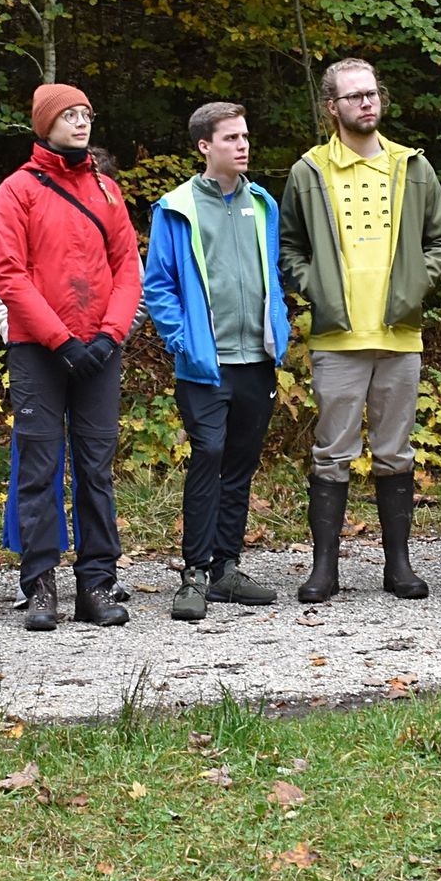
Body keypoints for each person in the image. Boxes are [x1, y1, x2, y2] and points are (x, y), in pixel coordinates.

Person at [277, 58, 441, 604]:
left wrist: (414, 286)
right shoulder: (309, 171)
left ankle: (398, 566)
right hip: (337, 338)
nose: (367, 103)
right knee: (332, 454)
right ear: (333, 107)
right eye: (354, 97)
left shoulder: (413, 166)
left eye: (372, 94)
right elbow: (289, 248)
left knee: (396, 453)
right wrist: (320, 292)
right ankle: (324, 569)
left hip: (400, 335)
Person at [0, 83, 142, 632]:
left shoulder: (106, 189)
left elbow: (128, 267)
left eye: (86, 114)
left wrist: (108, 336)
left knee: (96, 469)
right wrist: (61, 341)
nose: (81, 123)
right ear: (44, 124)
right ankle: (39, 587)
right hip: (39, 350)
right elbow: (10, 275)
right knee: (39, 467)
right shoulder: (16, 191)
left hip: (99, 350)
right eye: (69, 115)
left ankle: (97, 584)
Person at [143, 103, 292, 620]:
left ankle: (227, 568)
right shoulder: (176, 206)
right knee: (208, 454)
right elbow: (158, 283)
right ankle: (194, 573)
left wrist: (281, 326)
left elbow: (270, 273)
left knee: (241, 464)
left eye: (245, 136)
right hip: (205, 365)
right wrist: (181, 341)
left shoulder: (264, 203)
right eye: (231, 138)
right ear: (205, 146)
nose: (243, 145)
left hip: (258, 360)